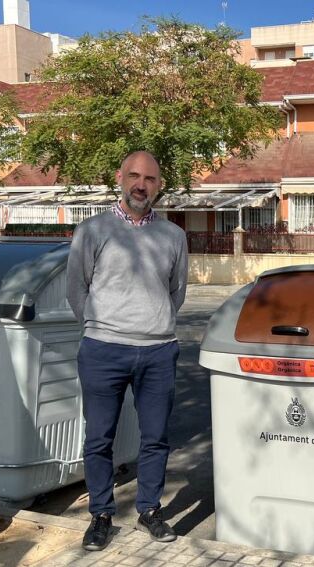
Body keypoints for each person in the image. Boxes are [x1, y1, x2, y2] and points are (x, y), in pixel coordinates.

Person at [67, 150, 188, 551]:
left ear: (159, 186)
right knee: (99, 438)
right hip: (103, 350)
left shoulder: (173, 236)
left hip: (158, 352)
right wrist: (103, 326)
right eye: (134, 176)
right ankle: (101, 514)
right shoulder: (93, 230)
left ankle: (149, 509)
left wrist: (153, 323)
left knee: (155, 438)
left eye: (150, 179)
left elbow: (176, 292)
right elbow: (76, 288)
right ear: (119, 177)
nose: (141, 185)